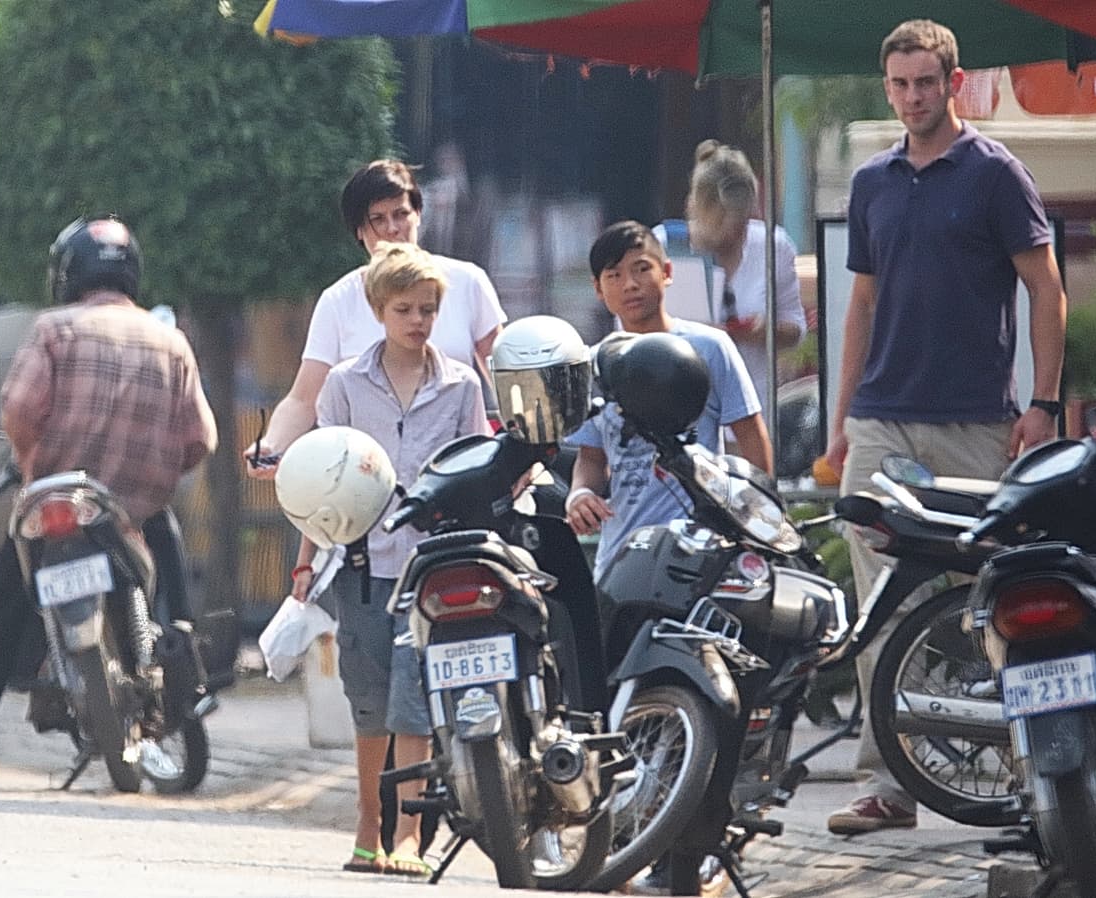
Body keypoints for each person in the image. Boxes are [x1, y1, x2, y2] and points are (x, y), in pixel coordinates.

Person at [823, 19, 1067, 835]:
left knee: (988, 601)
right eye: (899, 84)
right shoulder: (872, 181)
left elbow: (1046, 288)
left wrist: (1045, 404)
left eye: (926, 81)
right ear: (886, 87)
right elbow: (860, 304)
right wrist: (841, 422)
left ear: (954, 83)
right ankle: (888, 784)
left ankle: (1026, 780)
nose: (912, 97)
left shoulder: (996, 174)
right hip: (881, 420)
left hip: (975, 422)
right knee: (879, 606)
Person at [0, 215, 218, 788]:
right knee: (172, 599)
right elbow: (201, 440)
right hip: (133, 515)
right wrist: (153, 477)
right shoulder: (171, 341)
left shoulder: (54, 329)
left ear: (68, 273)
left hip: (52, 504)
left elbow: (19, 408)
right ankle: (184, 658)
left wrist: (30, 462)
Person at [286, 242, 490, 876]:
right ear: (378, 310)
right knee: (370, 704)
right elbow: (322, 482)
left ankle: (408, 834)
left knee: (414, 700)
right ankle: (367, 824)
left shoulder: (461, 385)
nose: (418, 321)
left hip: (433, 568)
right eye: (405, 309)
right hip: (362, 567)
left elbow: (476, 467)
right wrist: (304, 562)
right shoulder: (345, 385)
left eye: (428, 309)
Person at [245, 158, 505, 474]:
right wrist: (271, 446)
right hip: (365, 481)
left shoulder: (467, 282)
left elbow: (506, 379)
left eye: (401, 214)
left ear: (418, 214)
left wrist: (522, 453)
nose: (393, 229)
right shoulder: (338, 301)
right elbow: (303, 399)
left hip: (452, 477)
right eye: (378, 220)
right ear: (359, 231)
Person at [565, 219, 772, 593]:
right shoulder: (593, 364)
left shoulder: (709, 347)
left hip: (703, 552)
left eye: (642, 268)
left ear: (667, 272)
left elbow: (751, 437)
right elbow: (591, 458)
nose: (630, 284)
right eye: (614, 275)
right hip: (622, 558)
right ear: (598, 288)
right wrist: (580, 495)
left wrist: (758, 524)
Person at [653, 139, 806, 414]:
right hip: (676, 406)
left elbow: (795, 327)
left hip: (752, 406)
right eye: (721, 225)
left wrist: (761, 331)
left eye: (743, 224)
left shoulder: (773, 246)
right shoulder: (660, 248)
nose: (734, 235)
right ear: (696, 209)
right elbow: (628, 332)